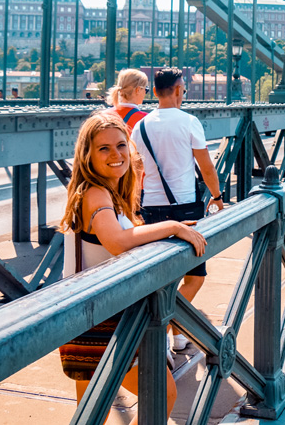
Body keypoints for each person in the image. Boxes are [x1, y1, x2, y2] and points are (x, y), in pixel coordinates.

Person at [58, 112, 206, 421]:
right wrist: (173, 227)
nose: (116, 155)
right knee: (162, 393)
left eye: (121, 145)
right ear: (88, 155)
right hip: (105, 321)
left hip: (85, 315)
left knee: (89, 413)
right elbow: (116, 241)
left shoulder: (97, 192)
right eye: (104, 149)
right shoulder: (96, 193)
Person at [130, 67, 223, 353]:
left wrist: (134, 207)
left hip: (152, 208)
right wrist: (218, 196)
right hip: (186, 209)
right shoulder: (189, 122)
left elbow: (136, 171)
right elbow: (205, 167)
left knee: (161, 277)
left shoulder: (140, 126)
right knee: (194, 276)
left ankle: (173, 333)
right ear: (180, 90)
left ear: (154, 92)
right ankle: (168, 328)